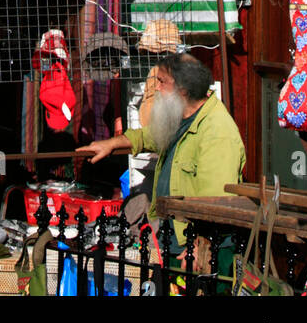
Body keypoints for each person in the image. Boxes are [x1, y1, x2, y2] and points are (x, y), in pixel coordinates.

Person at [76, 52, 245, 272]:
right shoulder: (183, 116)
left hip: (200, 251)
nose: (157, 88)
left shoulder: (217, 132)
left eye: (162, 82)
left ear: (182, 89)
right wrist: (112, 144)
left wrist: (198, 246)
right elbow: (150, 137)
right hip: (172, 242)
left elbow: (216, 202)